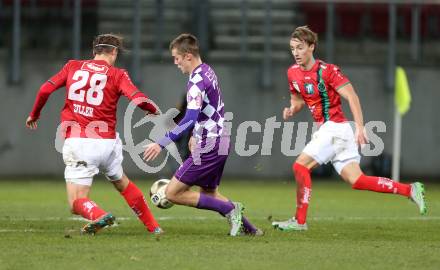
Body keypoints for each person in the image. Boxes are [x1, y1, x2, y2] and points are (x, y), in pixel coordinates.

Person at [272, 26, 427, 231]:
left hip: (335, 128)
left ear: (311, 47)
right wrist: (292, 109)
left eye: (300, 48)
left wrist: (360, 127)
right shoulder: (292, 73)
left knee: (300, 166)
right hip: (332, 131)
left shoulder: (327, 71)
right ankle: (409, 190)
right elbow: (298, 100)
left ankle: (300, 221)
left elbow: (352, 96)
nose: (296, 53)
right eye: (293, 49)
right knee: (357, 180)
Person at [25, 34, 162, 235]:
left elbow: (45, 90)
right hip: (107, 143)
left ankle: (99, 215)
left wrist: (34, 114)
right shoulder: (118, 74)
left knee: (75, 203)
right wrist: (151, 109)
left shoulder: (73, 66)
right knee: (122, 182)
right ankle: (154, 227)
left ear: (94, 51)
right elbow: (138, 98)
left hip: (80, 143)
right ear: (114, 52)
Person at [143, 33, 261, 236]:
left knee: (172, 193)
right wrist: (194, 135)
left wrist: (161, 143)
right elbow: (209, 110)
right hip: (220, 140)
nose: (175, 62)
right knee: (209, 193)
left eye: (177, 58)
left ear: (188, 55)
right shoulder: (208, 71)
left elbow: (189, 118)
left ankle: (231, 209)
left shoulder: (196, 81)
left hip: (210, 144)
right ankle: (250, 230)